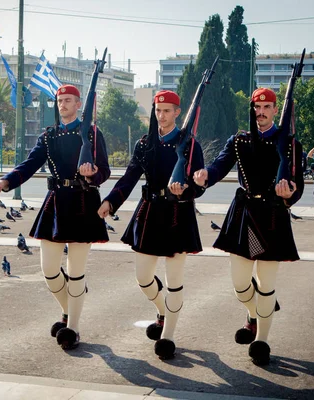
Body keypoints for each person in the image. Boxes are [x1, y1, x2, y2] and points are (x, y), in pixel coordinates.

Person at [0, 84, 110, 350]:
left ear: (79, 104)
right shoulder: (49, 136)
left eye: (68, 101)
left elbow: (105, 170)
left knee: (76, 272)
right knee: (49, 271)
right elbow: (31, 163)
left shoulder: (92, 133)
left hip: (83, 201)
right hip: (56, 202)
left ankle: (73, 327)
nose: (63, 105)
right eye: (60, 101)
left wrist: (92, 174)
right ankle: (70, 307)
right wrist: (7, 180)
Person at [193, 88, 304, 366]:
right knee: (240, 284)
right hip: (244, 213)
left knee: (266, 286)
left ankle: (262, 341)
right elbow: (220, 166)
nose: (261, 111)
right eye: (257, 106)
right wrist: (206, 174)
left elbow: (297, 185)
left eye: (267, 107)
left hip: (273, 216)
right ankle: (254, 314)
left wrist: (289, 193)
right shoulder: (239, 140)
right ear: (251, 108)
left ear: (276, 110)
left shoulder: (289, 143)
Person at [97, 90, 205, 360]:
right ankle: (163, 310)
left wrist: (186, 190)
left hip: (178, 215)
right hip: (150, 213)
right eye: (158, 110)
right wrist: (110, 202)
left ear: (177, 112)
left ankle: (168, 336)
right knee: (143, 277)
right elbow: (130, 177)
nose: (161, 115)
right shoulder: (145, 143)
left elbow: (199, 188)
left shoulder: (190, 144)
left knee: (174, 282)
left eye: (167, 111)